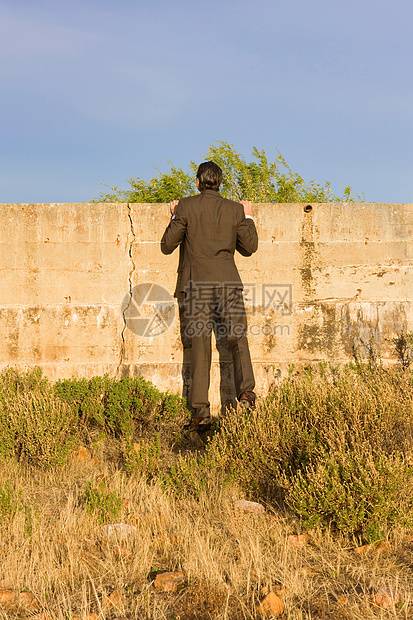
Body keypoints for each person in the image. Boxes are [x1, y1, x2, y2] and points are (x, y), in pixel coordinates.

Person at [160, 161, 258, 432]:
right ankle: (247, 394)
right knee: (238, 338)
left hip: (196, 287)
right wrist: (248, 216)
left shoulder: (187, 207)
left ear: (197, 182)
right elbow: (250, 247)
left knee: (200, 346)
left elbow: (167, 245)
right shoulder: (234, 210)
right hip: (228, 284)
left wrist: (174, 215)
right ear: (221, 183)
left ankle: (201, 412)